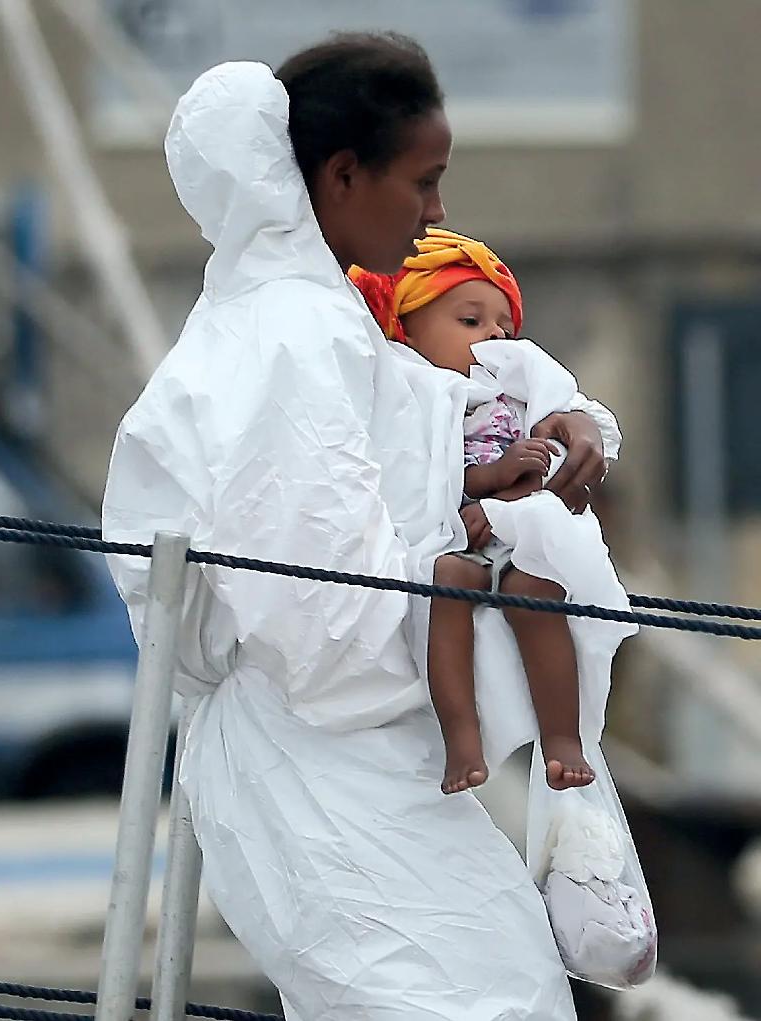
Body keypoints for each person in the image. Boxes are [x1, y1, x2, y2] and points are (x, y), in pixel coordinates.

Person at [103, 33, 623, 1021]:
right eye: (423, 183)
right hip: (315, 775)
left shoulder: (313, 320)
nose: (437, 214)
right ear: (342, 176)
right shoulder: (289, 341)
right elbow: (331, 638)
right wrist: (483, 568)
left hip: (352, 768)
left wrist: (566, 432)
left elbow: (436, 416)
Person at [351, 229, 604, 796]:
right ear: (407, 329)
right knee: (449, 585)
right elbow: (412, 477)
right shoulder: (410, 396)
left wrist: (553, 452)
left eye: (503, 327)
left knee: (540, 591)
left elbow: (560, 428)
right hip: (451, 537)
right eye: (470, 322)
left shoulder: (512, 392)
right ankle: (461, 738)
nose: (493, 336)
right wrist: (489, 481)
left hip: (517, 533)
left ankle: (563, 739)